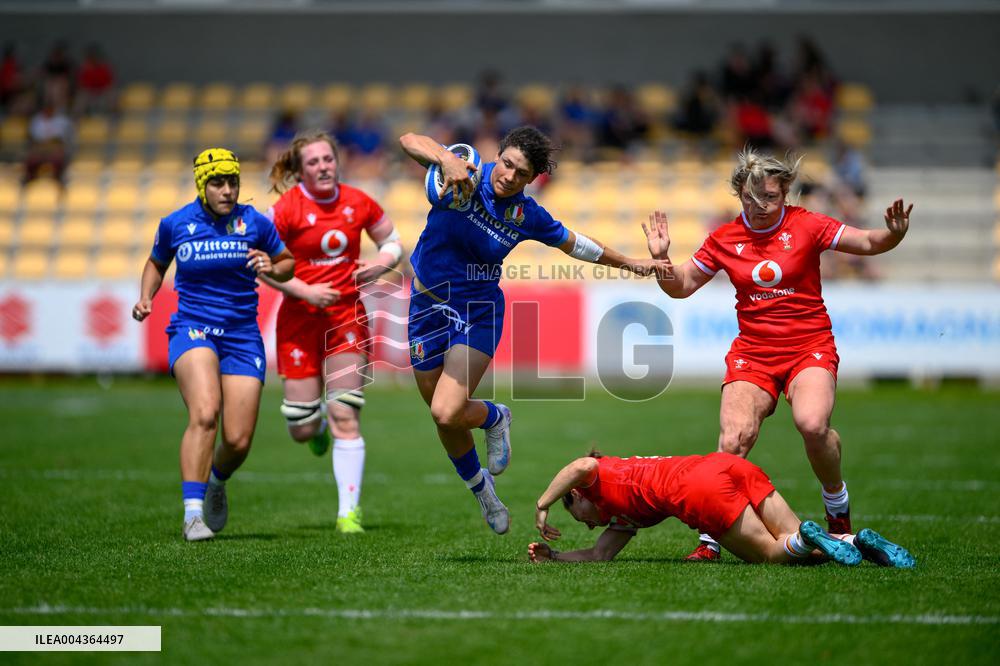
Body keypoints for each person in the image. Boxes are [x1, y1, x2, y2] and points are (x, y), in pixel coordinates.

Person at [642, 148, 913, 560]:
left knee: (812, 424)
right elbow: (680, 286)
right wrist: (662, 259)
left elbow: (868, 241)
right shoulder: (724, 238)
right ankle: (711, 539)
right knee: (734, 440)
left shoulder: (808, 225)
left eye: (769, 196)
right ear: (739, 195)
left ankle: (837, 510)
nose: (760, 206)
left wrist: (892, 233)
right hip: (753, 353)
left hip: (809, 346)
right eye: (750, 198)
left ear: (786, 190)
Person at [399, 126, 669, 535]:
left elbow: (579, 246)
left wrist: (635, 264)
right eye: (507, 163)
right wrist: (444, 158)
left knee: (446, 409)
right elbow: (407, 140)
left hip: (477, 312)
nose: (508, 176)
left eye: (521, 173)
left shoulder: (526, 215)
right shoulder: (464, 175)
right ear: (498, 155)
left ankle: (493, 418)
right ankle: (482, 490)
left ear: (531, 179)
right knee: (444, 420)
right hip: (425, 308)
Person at [132, 148, 295, 542]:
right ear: (202, 186)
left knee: (238, 441)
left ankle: (218, 481)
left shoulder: (253, 222)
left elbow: (287, 261)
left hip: (242, 335)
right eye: (218, 183)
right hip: (193, 329)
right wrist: (146, 296)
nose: (227, 190)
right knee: (206, 413)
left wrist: (272, 267)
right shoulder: (176, 224)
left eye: (233, 182)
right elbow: (157, 262)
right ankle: (192, 515)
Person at [260, 130, 402, 534]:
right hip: (298, 322)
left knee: (346, 413)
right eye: (313, 162)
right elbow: (263, 264)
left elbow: (391, 240)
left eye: (327, 159)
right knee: (301, 427)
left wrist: (380, 265)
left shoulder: (358, 202)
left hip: (346, 321)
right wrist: (302, 289)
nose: (323, 167)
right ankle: (315, 427)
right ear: (300, 170)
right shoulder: (285, 209)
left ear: (336, 162)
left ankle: (348, 513)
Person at [528, 450, 915, 568]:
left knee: (771, 555)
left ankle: (808, 537)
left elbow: (580, 466)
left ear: (579, 497)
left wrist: (543, 504)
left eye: (585, 519)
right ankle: (856, 541)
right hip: (725, 464)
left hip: (698, 489)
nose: (593, 527)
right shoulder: (622, 514)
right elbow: (598, 555)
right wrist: (555, 556)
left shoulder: (598, 480)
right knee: (794, 539)